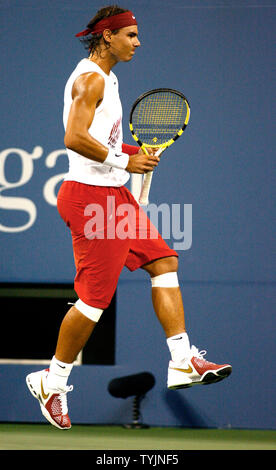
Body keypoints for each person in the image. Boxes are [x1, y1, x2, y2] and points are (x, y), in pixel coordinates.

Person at [26, 5, 232, 430]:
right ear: (107, 37)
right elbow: (74, 137)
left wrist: (137, 154)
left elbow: (104, 140)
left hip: (113, 195)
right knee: (95, 300)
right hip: (90, 199)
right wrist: (124, 159)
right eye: (131, 35)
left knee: (164, 261)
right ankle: (53, 380)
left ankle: (181, 360)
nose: (137, 43)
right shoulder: (90, 79)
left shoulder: (112, 77)